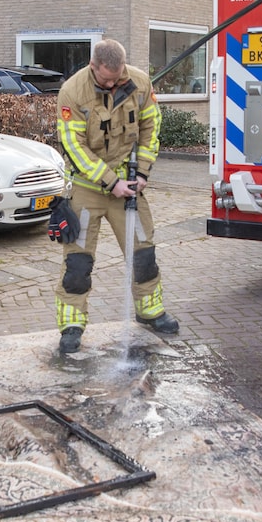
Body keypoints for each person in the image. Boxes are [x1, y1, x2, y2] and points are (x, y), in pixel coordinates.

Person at [49, 39, 180, 354]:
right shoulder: (72, 92)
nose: (112, 83)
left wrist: (143, 173)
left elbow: (151, 127)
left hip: (128, 187)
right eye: (106, 79)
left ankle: (150, 312)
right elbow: (74, 148)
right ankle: (72, 325)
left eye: (117, 77)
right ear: (93, 66)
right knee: (77, 263)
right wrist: (111, 182)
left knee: (143, 254)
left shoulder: (139, 82)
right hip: (88, 187)